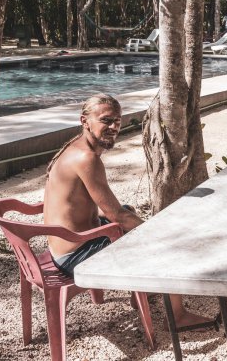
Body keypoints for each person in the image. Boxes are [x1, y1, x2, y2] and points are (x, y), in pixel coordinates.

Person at [44, 93, 210, 329]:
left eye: (117, 120)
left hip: (64, 246)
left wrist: (129, 221)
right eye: (106, 120)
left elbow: (103, 210)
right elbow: (116, 216)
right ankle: (178, 316)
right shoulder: (86, 158)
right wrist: (156, 233)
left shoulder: (74, 147)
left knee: (129, 211)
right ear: (85, 121)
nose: (114, 127)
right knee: (160, 244)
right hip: (74, 257)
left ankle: (141, 292)